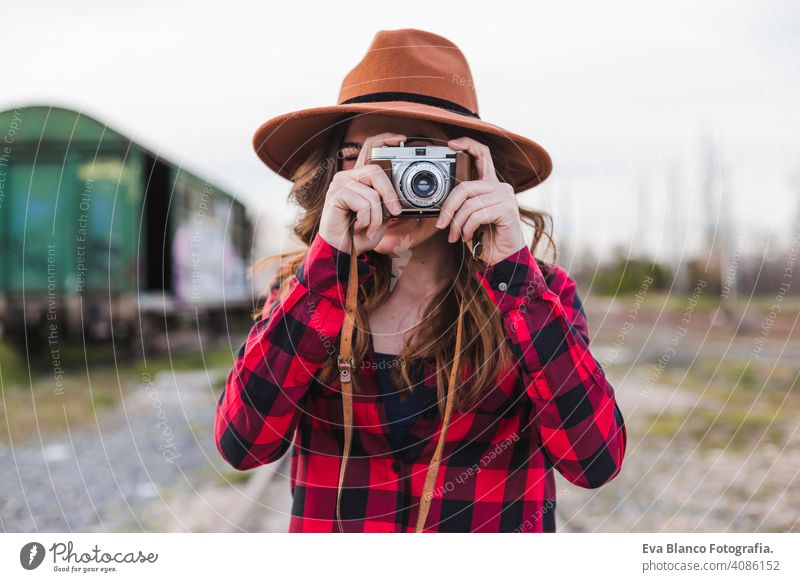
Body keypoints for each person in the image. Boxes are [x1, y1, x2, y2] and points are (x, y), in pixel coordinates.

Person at [215, 28, 627, 533]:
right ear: (332, 170)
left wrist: (512, 271)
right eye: (366, 156)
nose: (390, 181)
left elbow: (594, 461)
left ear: (473, 167)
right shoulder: (301, 291)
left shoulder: (539, 293)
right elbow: (242, 443)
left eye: (420, 157)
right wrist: (327, 265)